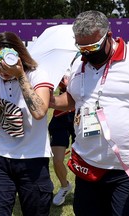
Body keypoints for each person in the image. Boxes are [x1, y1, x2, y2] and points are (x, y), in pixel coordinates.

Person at [50, 10, 129, 216]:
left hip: (126, 168)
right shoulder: (78, 64)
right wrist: (52, 101)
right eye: (81, 47)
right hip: (87, 165)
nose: (87, 53)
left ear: (108, 36)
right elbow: (74, 99)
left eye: (92, 47)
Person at [0, 31, 54, 216]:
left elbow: (39, 112)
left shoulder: (37, 75)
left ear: (18, 57)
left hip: (33, 159)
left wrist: (20, 75)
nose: (1, 69)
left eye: (6, 63)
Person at [49, 76, 75, 206]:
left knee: (84, 159)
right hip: (60, 115)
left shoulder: (85, 62)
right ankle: (65, 186)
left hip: (81, 115)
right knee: (57, 159)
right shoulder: (58, 62)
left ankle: (85, 190)